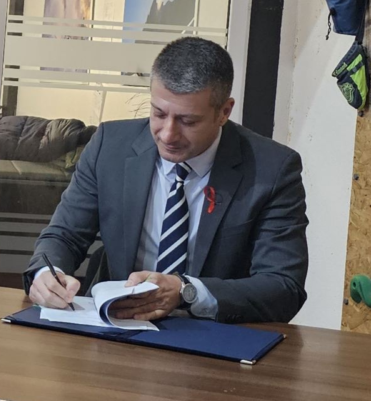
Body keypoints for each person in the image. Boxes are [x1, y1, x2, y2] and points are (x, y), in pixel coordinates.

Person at [25, 37, 308, 324]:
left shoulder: (272, 170)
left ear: (224, 112)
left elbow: (284, 287)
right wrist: (46, 274)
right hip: (119, 322)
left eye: (188, 121)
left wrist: (187, 291)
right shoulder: (109, 146)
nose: (168, 134)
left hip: (214, 333)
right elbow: (64, 235)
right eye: (158, 114)